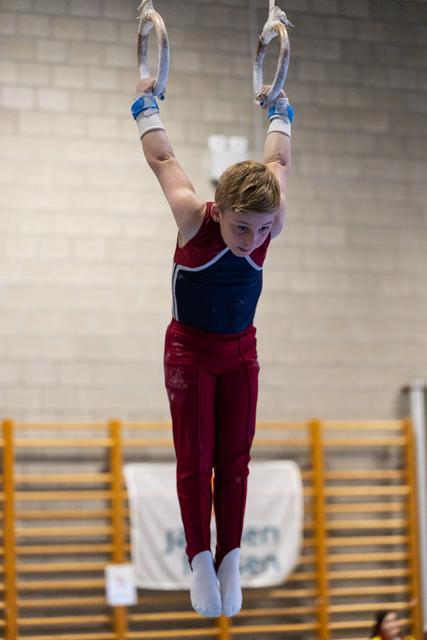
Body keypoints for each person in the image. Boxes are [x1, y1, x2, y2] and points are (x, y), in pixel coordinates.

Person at [130, 74, 292, 617]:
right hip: (190, 353)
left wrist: (279, 112)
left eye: (263, 230)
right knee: (196, 459)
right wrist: (145, 105)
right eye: (243, 228)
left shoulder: (271, 215)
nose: (254, 241)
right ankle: (199, 555)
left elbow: (280, 163)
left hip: (240, 350)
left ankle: (231, 556)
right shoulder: (190, 216)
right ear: (219, 211)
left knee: (236, 460)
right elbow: (162, 158)